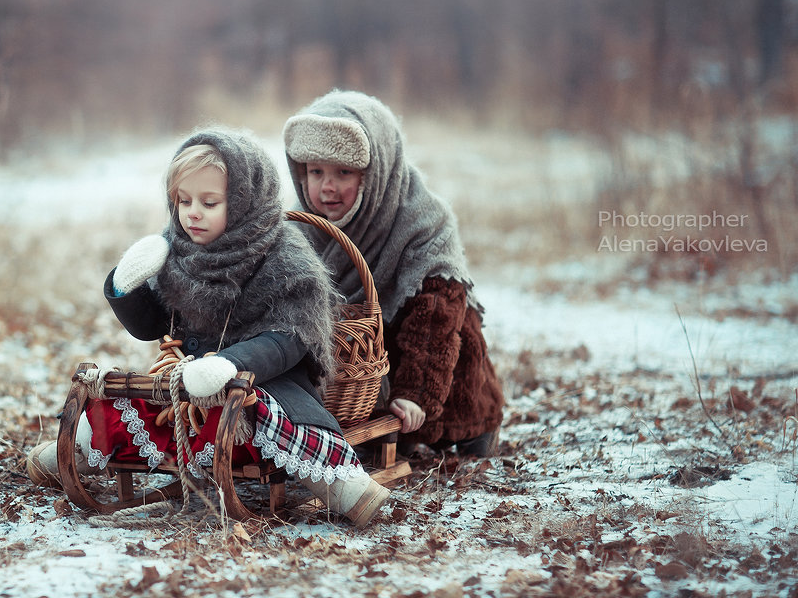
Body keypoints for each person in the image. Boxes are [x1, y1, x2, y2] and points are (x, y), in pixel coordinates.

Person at [26, 127, 391, 526]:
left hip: (261, 382)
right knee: (134, 400)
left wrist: (231, 364)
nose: (192, 212)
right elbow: (152, 328)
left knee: (265, 414)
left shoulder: (286, 258)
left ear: (243, 203)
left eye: (209, 202)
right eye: (183, 200)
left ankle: (340, 484)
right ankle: (78, 448)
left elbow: (290, 339)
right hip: (186, 386)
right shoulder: (178, 250)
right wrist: (126, 286)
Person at [282, 90, 504, 457]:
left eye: (344, 172)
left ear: (376, 172)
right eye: (315, 171)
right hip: (358, 376)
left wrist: (413, 395)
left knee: (462, 431)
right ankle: (354, 420)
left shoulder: (423, 222)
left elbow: (435, 319)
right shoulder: (300, 224)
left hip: (427, 366)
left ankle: (472, 426)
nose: (327, 187)